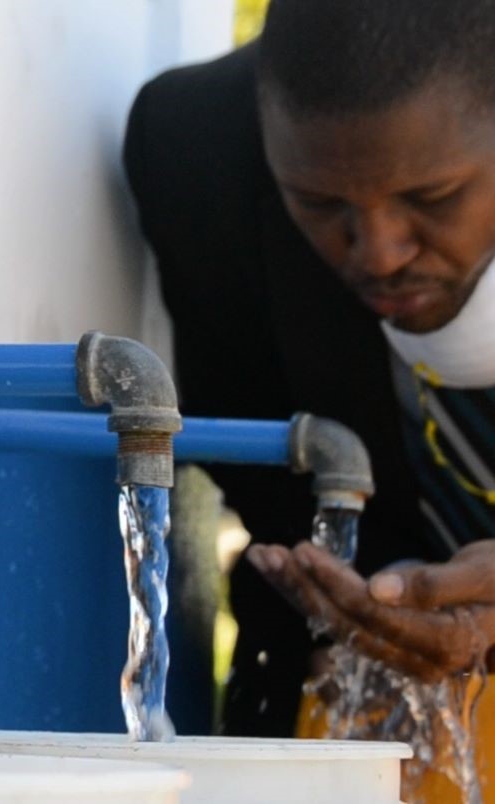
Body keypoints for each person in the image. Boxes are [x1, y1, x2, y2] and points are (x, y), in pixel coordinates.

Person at [123, 0, 495, 750]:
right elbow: (261, 440)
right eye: (321, 203)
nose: (379, 252)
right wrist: (383, 601)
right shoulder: (198, 153)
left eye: (433, 199)